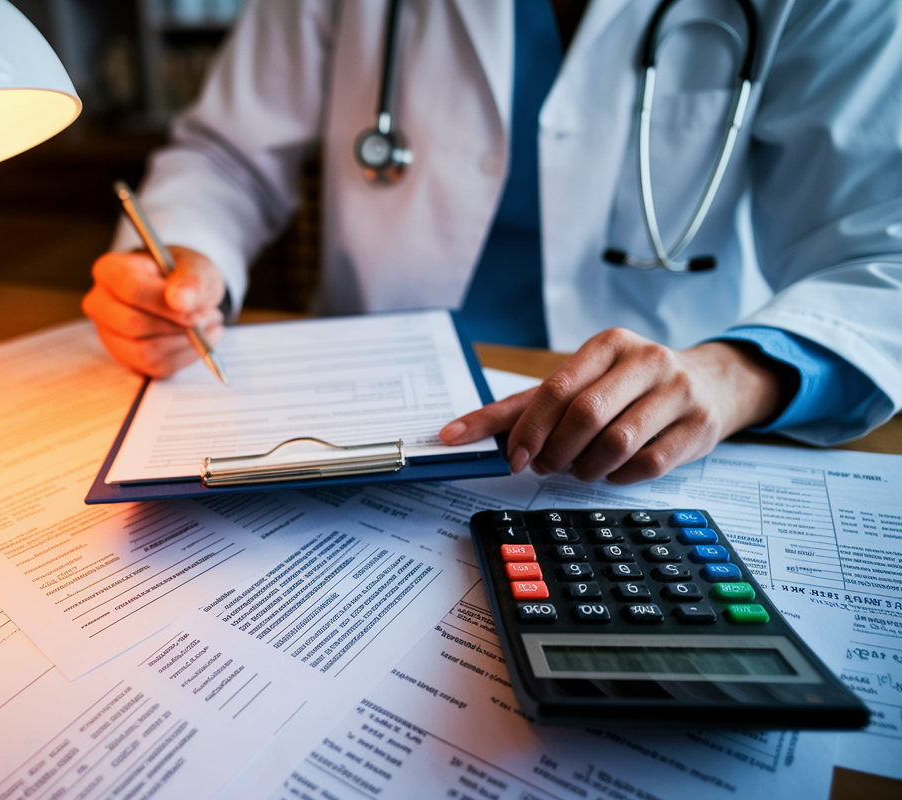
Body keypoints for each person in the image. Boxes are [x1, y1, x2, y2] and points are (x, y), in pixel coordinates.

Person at [83, 0, 902, 484]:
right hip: (372, 418)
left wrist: (737, 374)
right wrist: (184, 257)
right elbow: (224, 154)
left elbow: (883, 253)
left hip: (661, 435)